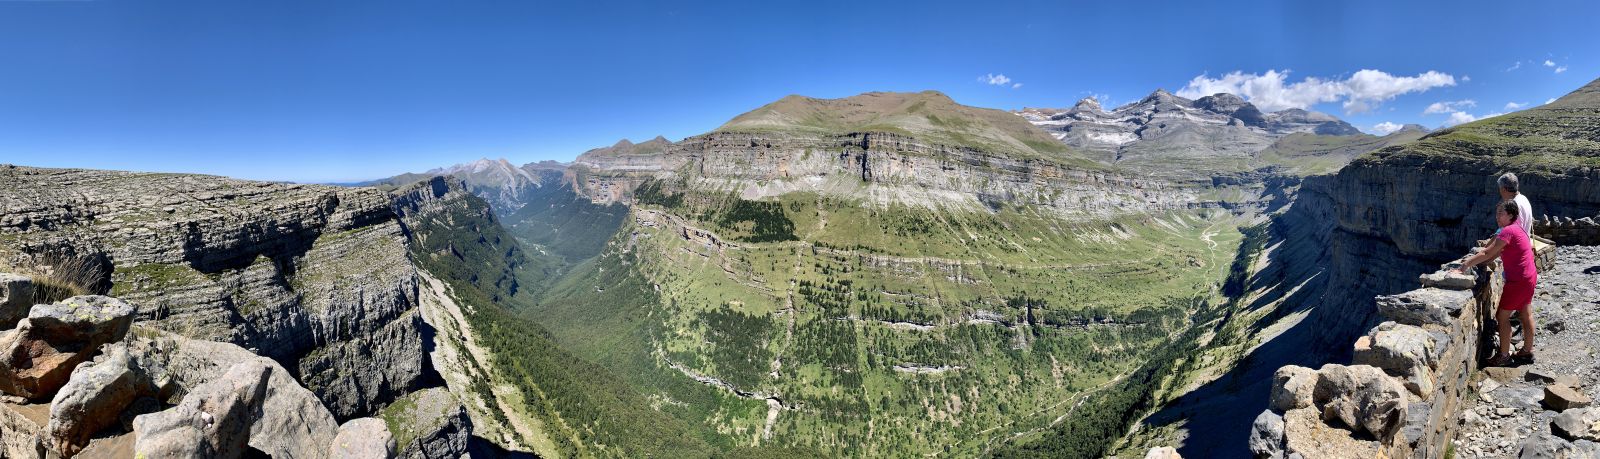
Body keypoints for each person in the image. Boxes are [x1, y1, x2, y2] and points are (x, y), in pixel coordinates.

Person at [1453, 200, 1538, 366]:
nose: (1497, 217)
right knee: (1526, 313)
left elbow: (1486, 252)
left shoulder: (1507, 232)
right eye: (1497, 212)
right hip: (1529, 276)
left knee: (1502, 316)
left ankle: (1504, 356)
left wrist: (1465, 265)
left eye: (1501, 213)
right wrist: (1482, 260)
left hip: (1518, 280)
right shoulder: (1518, 228)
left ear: (1511, 215)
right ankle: (1527, 351)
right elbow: (1494, 255)